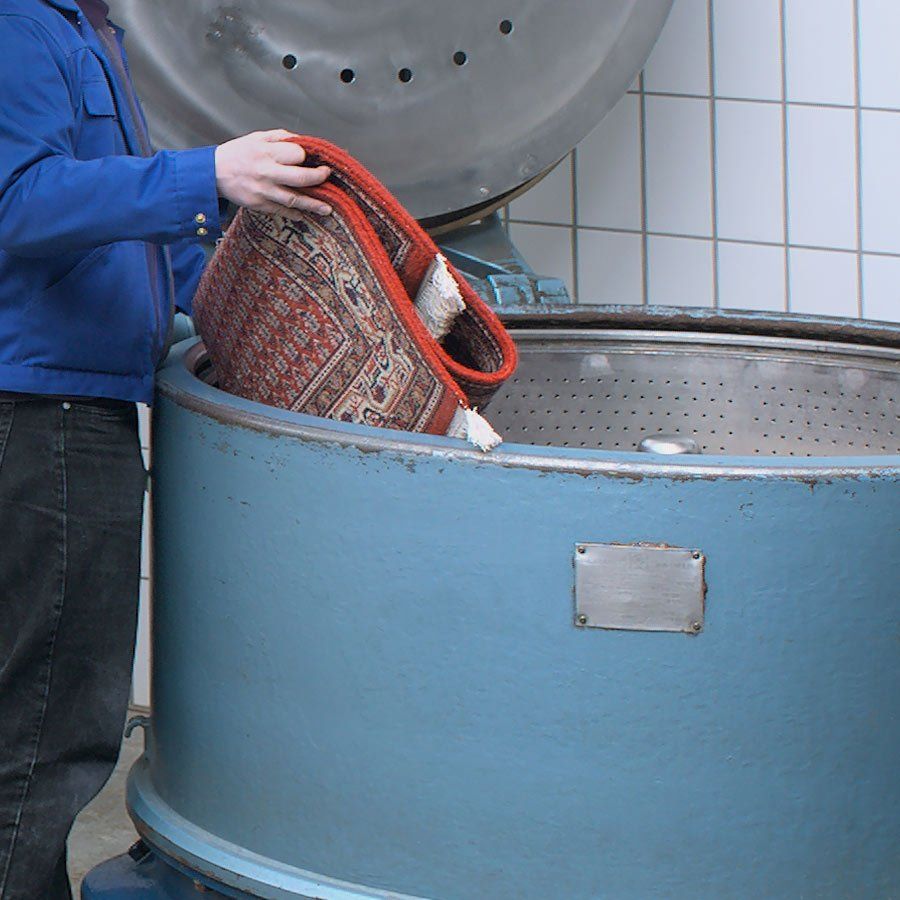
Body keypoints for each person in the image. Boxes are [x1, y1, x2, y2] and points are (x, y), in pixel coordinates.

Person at [0, 1, 332, 896]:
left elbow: (122, 232)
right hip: (43, 416)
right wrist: (206, 171)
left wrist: (258, 305)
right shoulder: (19, 26)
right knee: (42, 728)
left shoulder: (88, 29)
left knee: (34, 719)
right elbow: (18, 202)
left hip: (66, 404)